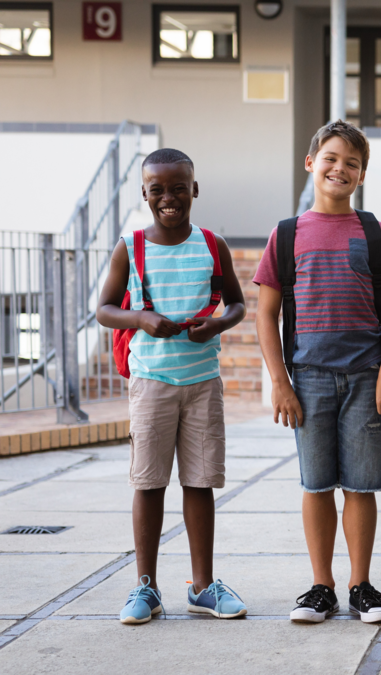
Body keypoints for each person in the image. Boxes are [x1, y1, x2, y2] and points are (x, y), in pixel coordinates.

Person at [254, 120, 381, 624]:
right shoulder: (286, 235)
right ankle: (322, 587)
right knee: (317, 484)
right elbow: (265, 314)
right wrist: (280, 382)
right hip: (309, 379)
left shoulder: (376, 233)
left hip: (366, 377)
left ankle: (361, 586)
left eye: (352, 163)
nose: (340, 169)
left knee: (361, 485)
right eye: (331, 158)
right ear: (311, 163)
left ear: (362, 174)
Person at [96, 148, 248, 624]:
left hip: (202, 383)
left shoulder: (213, 245)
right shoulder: (131, 247)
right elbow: (104, 309)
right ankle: (146, 587)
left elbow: (237, 304)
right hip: (152, 383)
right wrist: (140, 318)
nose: (169, 198)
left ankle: (202, 587)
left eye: (179, 188)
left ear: (194, 190)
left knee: (200, 482)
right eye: (157, 190)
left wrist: (218, 324)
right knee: (149, 483)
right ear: (144, 193)